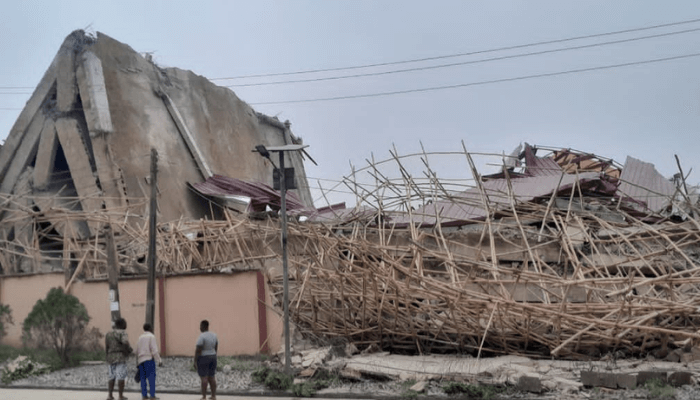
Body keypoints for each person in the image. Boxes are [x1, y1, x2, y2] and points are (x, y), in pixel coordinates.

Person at [105, 318, 132, 400]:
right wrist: (128, 351)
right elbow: (125, 343)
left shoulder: (108, 334)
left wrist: (107, 356)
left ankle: (110, 395)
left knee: (111, 376)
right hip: (120, 356)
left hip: (110, 356)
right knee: (121, 376)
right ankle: (120, 396)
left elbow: (107, 346)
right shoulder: (122, 333)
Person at [136, 323, 162, 400]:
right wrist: (159, 360)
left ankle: (144, 395)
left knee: (143, 378)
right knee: (151, 378)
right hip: (149, 360)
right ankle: (152, 395)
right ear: (151, 328)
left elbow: (136, 350)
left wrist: (137, 362)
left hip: (141, 360)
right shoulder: (151, 337)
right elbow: (154, 350)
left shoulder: (140, 337)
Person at [194, 320, 218, 400]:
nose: (200, 328)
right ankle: (213, 396)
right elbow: (216, 346)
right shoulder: (214, 335)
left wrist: (195, 361)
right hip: (213, 356)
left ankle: (204, 396)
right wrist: (214, 354)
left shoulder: (202, 336)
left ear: (204, 326)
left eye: (201, 326)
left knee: (204, 378)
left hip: (203, 357)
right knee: (212, 377)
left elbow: (198, 349)